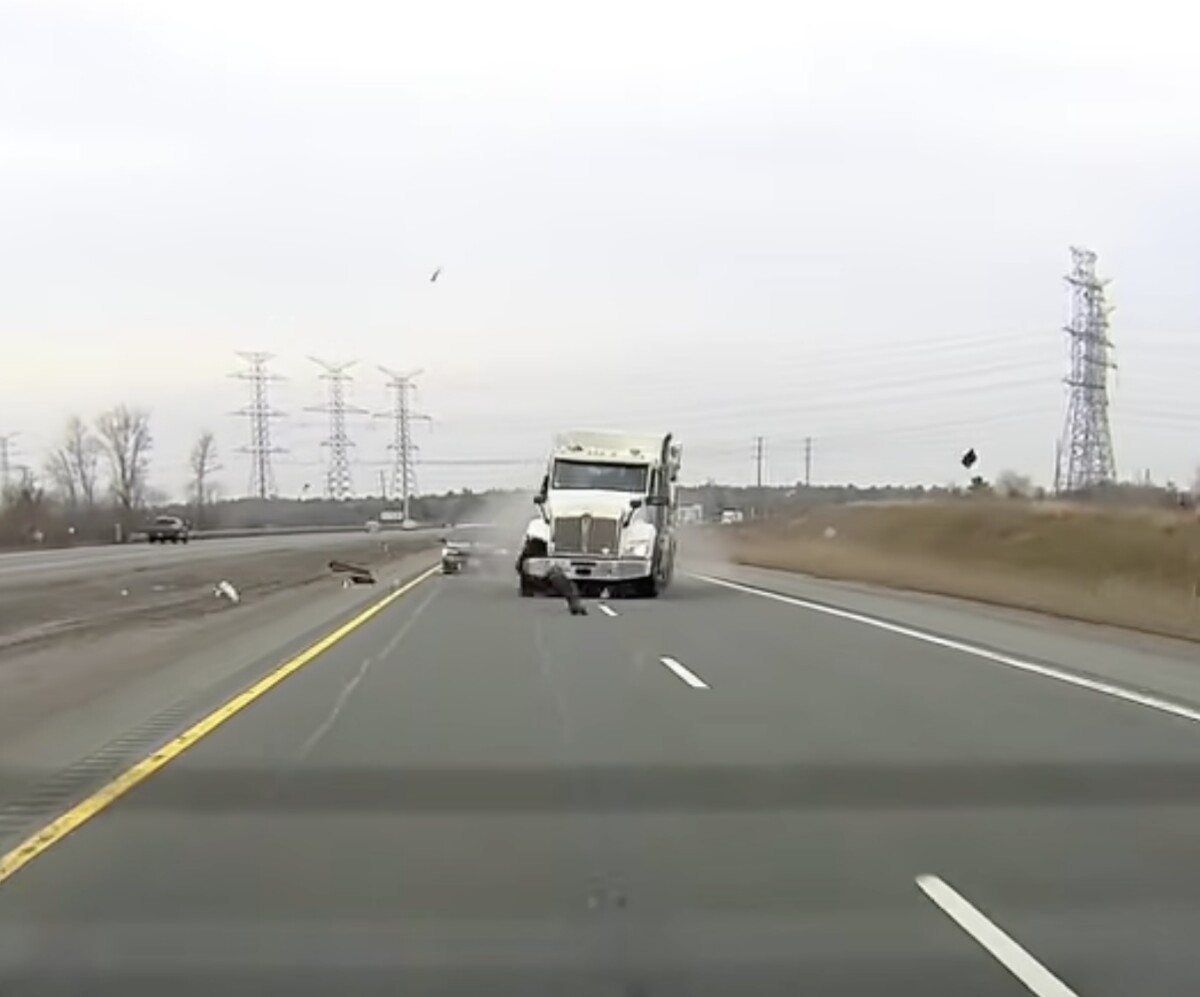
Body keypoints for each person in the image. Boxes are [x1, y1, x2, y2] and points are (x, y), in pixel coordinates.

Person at [516, 535, 587, 615]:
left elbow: (520, 566)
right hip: (540, 583)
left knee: (560, 578)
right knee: (556, 575)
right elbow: (522, 567)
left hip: (542, 583)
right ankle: (575, 602)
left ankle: (575, 601)